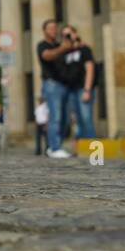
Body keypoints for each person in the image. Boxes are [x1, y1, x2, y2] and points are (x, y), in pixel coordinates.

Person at [36, 20, 77, 158]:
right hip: (52, 84)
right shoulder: (42, 45)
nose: (54, 30)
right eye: (51, 28)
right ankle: (54, 148)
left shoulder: (61, 45)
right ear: (45, 31)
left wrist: (72, 38)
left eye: (55, 28)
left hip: (65, 84)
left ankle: (55, 146)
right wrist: (63, 48)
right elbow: (47, 55)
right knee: (55, 116)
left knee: (65, 119)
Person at [60, 26, 98, 141]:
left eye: (69, 34)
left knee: (86, 117)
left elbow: (90, 69)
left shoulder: (84, 49)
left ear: (75, 34)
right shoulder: (65, 52)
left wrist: (87, 89)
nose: (67, 37)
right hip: (71, 89)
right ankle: (82, 147)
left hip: (83, 88)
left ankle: (93, 150)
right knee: (77, 119)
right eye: (64, 36)